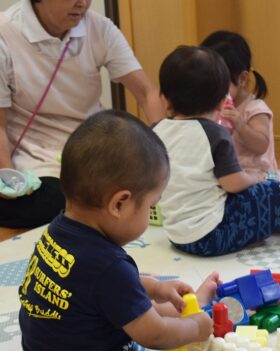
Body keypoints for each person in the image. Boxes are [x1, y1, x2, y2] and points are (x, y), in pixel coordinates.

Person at [18, 109, 280, 351]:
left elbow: (92, 287)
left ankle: (193, 306)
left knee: (142, 299)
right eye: (151, 206)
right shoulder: (108, 267)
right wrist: (195, 329)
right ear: (120, 204)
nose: (152, 214)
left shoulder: (58, 232)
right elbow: (154, 336)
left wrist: (152, 287)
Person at [0, 0, 166, 229]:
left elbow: (147, 93)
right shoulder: (6, 33)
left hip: (92, 150)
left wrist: (166, 152)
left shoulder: (100, 28)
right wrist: (9, 181)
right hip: (36, 159)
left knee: (140, 183)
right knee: (60, 201)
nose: (83, 3)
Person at [154, 46, 280, 257]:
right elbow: (233, 184)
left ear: (165, 100)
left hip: (176, 236)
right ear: (222, 102)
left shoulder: (155, 132)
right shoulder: (214, 134)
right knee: (270, 190)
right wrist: (255, 177)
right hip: (213, 237)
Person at [201, 30, 280, 196]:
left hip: (258, 176)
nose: (213, 92)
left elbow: (261, 145)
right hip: (229, 176)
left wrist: (240, 124)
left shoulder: (254, 109)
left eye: (220, 85)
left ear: (242, 79)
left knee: (273, 195)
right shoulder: (212, 107)